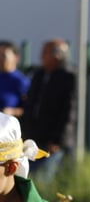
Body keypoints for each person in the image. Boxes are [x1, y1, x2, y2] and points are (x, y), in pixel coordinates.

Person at [21, 39, 76, 180]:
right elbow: (31, 104)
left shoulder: (68, 77)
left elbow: (68, 111)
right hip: (34, 136)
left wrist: (58, 140)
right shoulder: (39, 75)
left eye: (45, 53)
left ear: (57, 56)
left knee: (44, 178)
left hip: (51, 141)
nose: (41, 57)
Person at [0, 40, 30, 117]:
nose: (0, 59)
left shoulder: (21, 81)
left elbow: (30, 109)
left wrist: (12, 111)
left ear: (16, 57)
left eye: (3, 55)